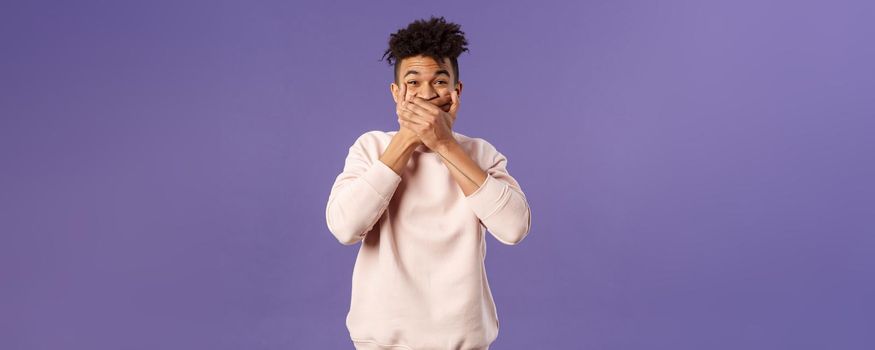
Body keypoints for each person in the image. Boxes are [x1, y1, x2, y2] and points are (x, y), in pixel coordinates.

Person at [325, 16, 532, 350]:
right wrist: (408, 138)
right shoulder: (371, 148)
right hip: (381, 343)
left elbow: (514, 228)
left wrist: (443, 144)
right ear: (396, 93)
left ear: (456, 91)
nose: (425, 94)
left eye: (439, 82)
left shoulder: (480, 153)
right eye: (413, 82)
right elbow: (345, 227)